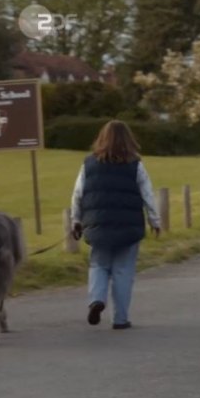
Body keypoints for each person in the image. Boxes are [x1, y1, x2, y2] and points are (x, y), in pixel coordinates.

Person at [70, 120, 161, 330]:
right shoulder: (136, 165)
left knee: (98, 265)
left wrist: (76, 220)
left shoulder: (89, 164)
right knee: (123, 271)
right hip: (128, 226)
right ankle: (120, 319)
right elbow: (147, 194)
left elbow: (78, 194)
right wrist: (154, 220)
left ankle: (96, 299)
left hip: (98, 225)